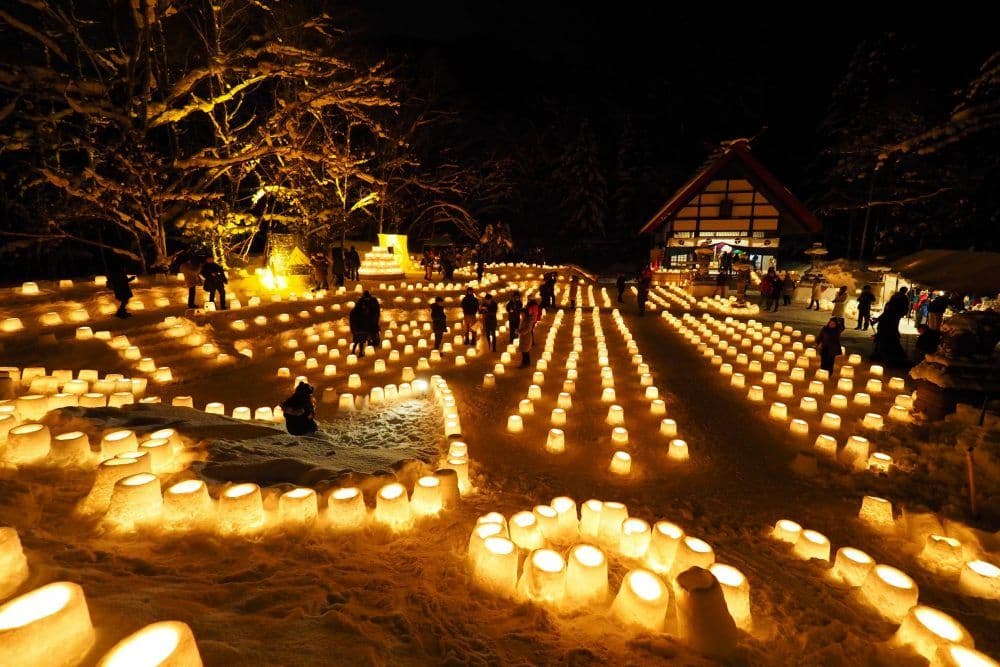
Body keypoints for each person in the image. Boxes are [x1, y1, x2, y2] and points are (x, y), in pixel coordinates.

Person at [872, 286, 909, 365]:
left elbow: (886, 313)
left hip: (889, 323)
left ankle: (884, 355)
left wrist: (878, 319)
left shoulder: (894, 301)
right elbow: (886, 313)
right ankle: (884, 355)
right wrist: (878, 319)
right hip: (889, 323)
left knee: (886, 338)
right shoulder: (901, 300)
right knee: (887, 338)